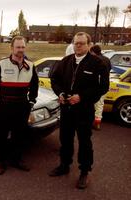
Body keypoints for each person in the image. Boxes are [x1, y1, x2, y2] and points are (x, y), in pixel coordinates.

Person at [49, 32, 109, 189]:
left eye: (82, 43)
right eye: (76, 43)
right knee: (65, 139)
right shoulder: (66, 61)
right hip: (67, 109)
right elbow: (54, 79)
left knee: (84, 142)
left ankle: (84, 171)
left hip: (84, 110)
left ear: (89, 45)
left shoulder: (98, 63)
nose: (78, 46)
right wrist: (60, 93)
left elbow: (103, 87)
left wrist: (82, 97)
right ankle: (64, 165)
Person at [0, 36, 39, 175]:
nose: (20, 50)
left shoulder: (30, 65)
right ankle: (1, 162)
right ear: (11, 48)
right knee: (2, 135)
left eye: (23, 47)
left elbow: (34, 85)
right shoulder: (2, 64)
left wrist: (32, 100)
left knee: (19, 135)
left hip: (22, 106)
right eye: (18, 47)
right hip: (5, 105)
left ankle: (16, 160)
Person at [90, 45, 112, 130]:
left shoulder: (95, 60)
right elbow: (108, 70)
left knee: (93, 104)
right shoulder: (107, 59)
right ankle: (97, 122)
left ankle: (94, 123)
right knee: (100, 104)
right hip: (105, 85)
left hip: (96, 86)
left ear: (93, 52)